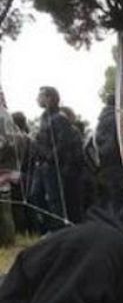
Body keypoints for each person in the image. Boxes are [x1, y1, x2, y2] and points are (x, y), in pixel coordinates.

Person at [29, 87, 88, 231]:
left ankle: (59, 229)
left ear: (49, 98)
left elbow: (63, 142)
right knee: (35, 195)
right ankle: (49, 226)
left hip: (52, 166)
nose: (37, 99)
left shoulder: (59, 118)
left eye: (40, 96)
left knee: (56, 200)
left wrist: (50, 157)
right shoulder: (44, 117)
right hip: (41, 165)